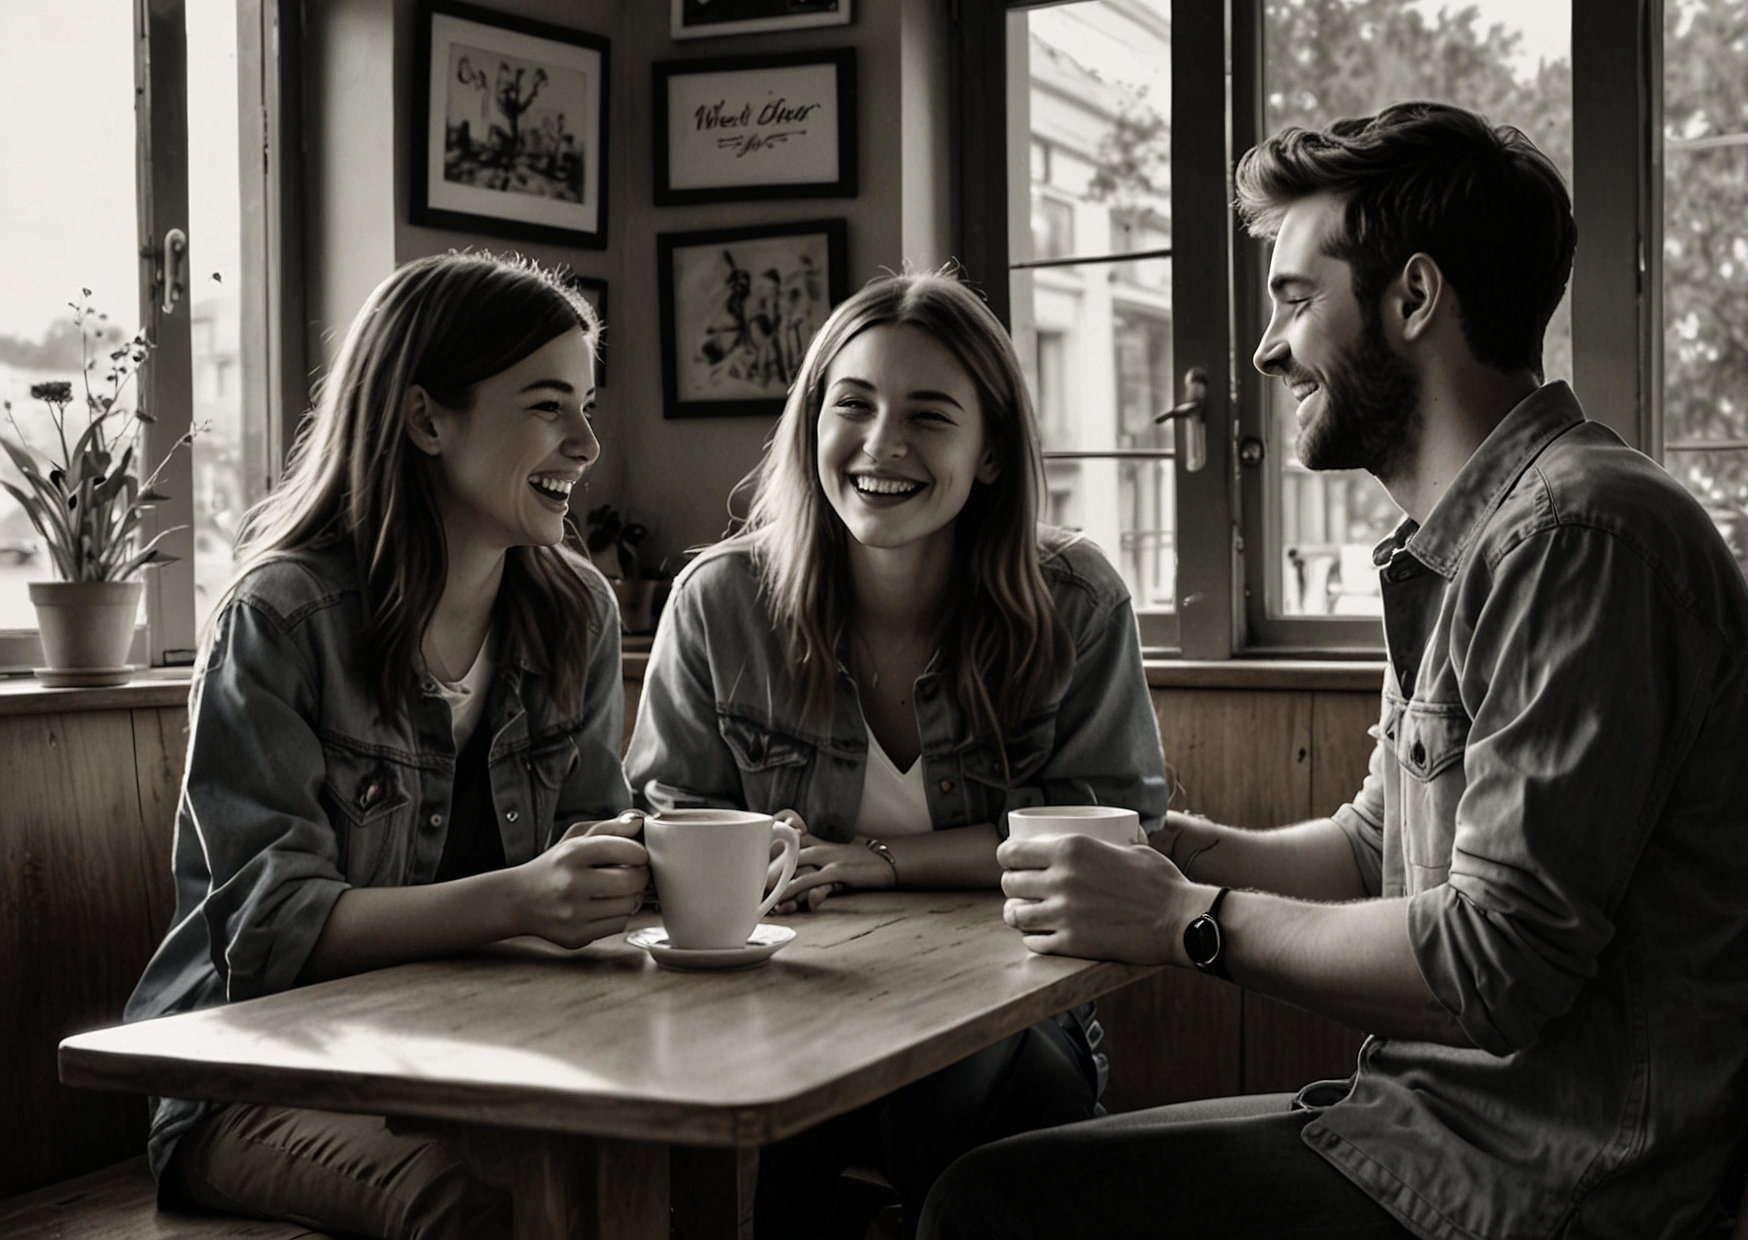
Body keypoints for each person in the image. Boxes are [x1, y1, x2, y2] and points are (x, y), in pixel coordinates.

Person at [922, 101, 1748, 1240]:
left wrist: (1185, 917)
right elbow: (1380, 848)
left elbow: (1494, 961)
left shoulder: (1578, 540)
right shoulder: (1474, 535)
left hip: (1549, 1186)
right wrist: (1181, 851)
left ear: (1414, 298)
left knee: (988, 1208)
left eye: (1291, 299)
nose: (1264, 349)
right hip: (1433, 1134)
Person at [624, 271, 1168, 1237]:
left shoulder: (1074, 598)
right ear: (812, 426)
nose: (883, 445)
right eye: (855, 405)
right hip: (772, 1003)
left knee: (934, 1085)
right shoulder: (719, 601)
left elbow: (1118, 839)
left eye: (929, 415)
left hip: (1010, 1014)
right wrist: (746, 849)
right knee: (776, 1124)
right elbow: (669, 825)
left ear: (991, 453)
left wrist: (879, 864)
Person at [126, 252, 647, 1240]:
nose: (584, 442)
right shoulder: (284, 618)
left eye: (586, 404)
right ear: (424, 419)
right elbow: (268, 929)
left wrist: (665, 862)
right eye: (548, 406)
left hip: (481, 1052)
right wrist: (525, 896)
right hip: (253, 1082)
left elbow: (592, 832)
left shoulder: (570, 610)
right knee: (498, 1208)